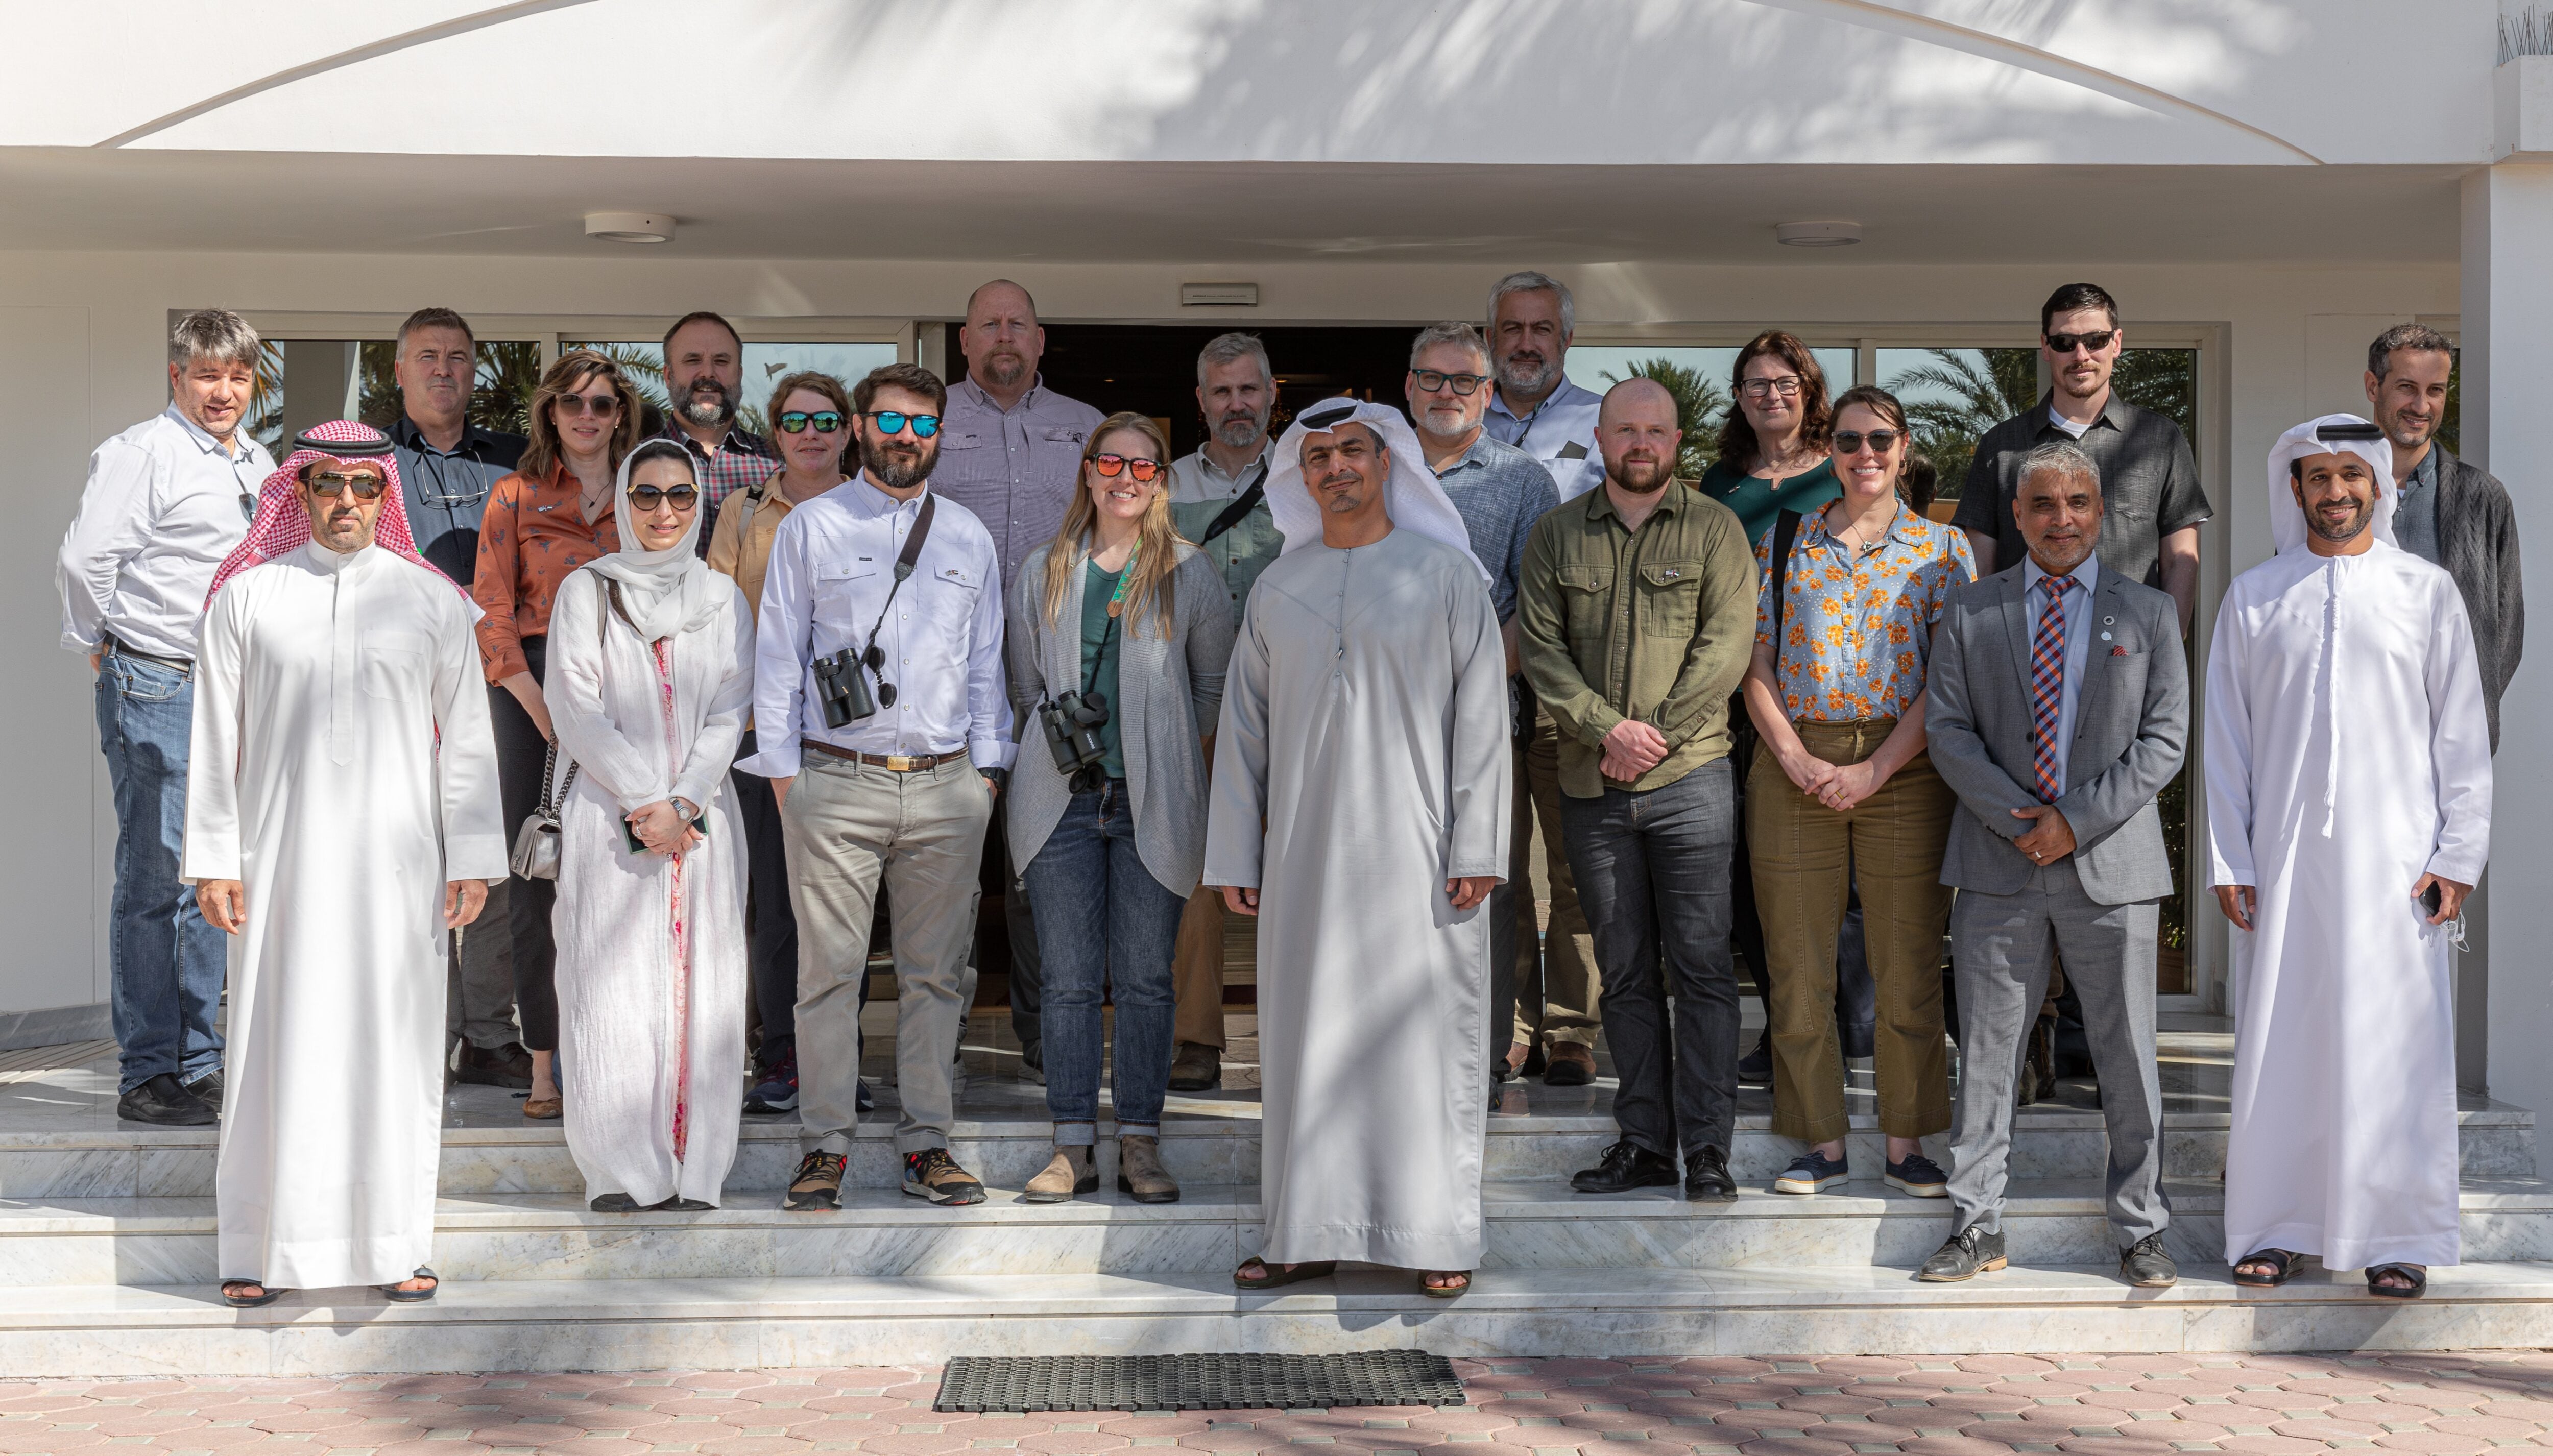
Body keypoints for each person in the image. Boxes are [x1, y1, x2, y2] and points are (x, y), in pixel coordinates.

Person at [185, 420, 504, 1308]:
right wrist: (215, 858)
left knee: (393, 1047)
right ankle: (257, 1245)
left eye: (367, 488)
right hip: (278, 860)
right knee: (272, 1044)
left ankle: (397, 1242)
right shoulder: (247, 598)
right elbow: (215, 741)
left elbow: (468, 746)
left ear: (384, 495)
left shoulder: (433, 602)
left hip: (398, 869)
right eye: (330, 485)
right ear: (301, 491)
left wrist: (469, 854)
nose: (348, 503)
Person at [1206, 399, 1509, 1299]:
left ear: (1389, 465)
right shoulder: (1277, 587)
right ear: (1300, 478)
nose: (1335, 467)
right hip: (1304, 858)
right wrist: (1235, 854)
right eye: (1318, 457)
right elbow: (1243, 733)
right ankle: (1304, 1232)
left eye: (1352, 451)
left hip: (1423, 856)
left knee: (1420, 1038)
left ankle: (1434, 1231)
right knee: (1308, 1043)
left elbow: (1484, 720)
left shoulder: (1446, 575)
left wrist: (1480, 838)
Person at [2210, 416, 2492, 1300]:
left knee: (2394, 1049)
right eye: (2316, 477)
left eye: (2350, 475)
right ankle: (2275, 1228)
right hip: (2284, 862)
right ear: (2293, 490)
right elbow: (2227, 741)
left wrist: (2459, 855)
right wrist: (2229, 857)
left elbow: (2462, 736)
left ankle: (2395, 1236)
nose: (2334, 492)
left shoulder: (2427, 590)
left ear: (2377, 484)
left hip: (2398, 868)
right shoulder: (2255, 595)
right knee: (2282, 1045)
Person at [739, 362, 1013, 1213]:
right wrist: (786, 778)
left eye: (922, 426)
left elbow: (985, 665)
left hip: (946, 786)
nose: (905, 438)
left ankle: (928, 1142)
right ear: (862, 429)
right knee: (827, 974)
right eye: (890, 423)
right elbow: (777, 656)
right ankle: (825, 1145)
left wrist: (988, 773)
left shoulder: (967, 536)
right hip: (833, 780)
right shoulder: (812, 527)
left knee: (937, 978)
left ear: (939, 435)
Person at [1917, 441, 2186, 1288]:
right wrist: (2018, 819)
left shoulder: (2145, 613)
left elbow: (2165, 740)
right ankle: (1975, 1223)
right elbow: (1948, 730)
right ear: (2020, 516)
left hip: (2111, 864)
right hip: (1999, 863)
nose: (2061, 518)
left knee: (2127, 1056)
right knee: (1990, 1056)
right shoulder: (1971, 610)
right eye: (2043, 504)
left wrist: (2073, 821)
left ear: (2099, 513)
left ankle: (2141, 1228)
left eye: (2077, 502)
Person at [1517, 378, 1757, 1202]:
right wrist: (1604, 730)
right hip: (1595, 788)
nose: (1641, 443)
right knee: (1622, 972)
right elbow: (1542, 651)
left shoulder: (1717, 530)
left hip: (1692, 781)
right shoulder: (1556, 536)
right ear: (1602, 434)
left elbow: (1726, 651)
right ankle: (1646, 1141)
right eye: (1627, 430)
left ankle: (1711, 1149)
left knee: (1701, 969)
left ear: (1677, 437)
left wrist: (1646, 734)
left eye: (1656, 430)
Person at [1744, 385, 1975, 1198]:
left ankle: (1907, 1140)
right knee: (1797, 960)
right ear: (1830, 450)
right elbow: (1757, 661)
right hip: (1793, 758)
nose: (1865, 454)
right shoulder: (1783, 539)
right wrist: (1792, 754)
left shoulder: (1945, 551)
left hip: (1905, 765)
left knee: (1907, 959)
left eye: (1881, 438)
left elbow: (1950, 683)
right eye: (1848, 440)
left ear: (1904, 447)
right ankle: (1820, 1142)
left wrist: (1875, 768)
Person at [1006, 414, 1234, 1203]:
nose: (1127, 479)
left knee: (1144, 978)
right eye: (1113, 463)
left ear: (1162, 480)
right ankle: (1072, 1143)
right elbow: (1023, 689)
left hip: (1152, 804)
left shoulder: (1190, 572)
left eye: (1145, 467)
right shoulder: (1043, 570)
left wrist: (1168, 753)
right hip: (1061, 802)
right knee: (1068, 980)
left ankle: (1140, 1138)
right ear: (1089, 470)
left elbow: (1213, 688)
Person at [57, 309, 271, 1126]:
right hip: (158, 680)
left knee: (211, 876)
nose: (224, 392)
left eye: (239, 377)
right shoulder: (142, 452)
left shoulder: (256, 459)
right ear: (177, 376)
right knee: (156, 880)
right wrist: (96, 641)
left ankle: (201, 1060)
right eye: (208, 375)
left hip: (233, 690)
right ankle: (149, 1072)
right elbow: (85, 559)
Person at [548, 440, 755, 1213]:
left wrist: (688, 800)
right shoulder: (588, 591)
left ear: (699, 503)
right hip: (612, 818)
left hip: (700, 823)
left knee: (704, 988)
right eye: (645, 495)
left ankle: (698, 1166)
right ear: (622, 504)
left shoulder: (722, 598)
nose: (663, 512)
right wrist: (648, 800)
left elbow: (736, 705)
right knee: (611, 984)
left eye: (678, 496)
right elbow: (575, 706)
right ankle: (621, 1167)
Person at [1402, 323, 1582, 1085]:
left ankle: (1493, 1043)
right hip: (1386, 726)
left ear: (1488, 393)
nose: (1448, 394)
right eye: (1433, 379)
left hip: (1486, 717)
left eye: (1465, 382)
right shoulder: (1372, 468)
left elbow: (1533, 610)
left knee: (1492, 878)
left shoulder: (1522, 480)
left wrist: (1468, 692)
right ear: (1408, 386)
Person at [935, 280, 1104, 1080]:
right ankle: (944, 1033)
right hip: (949, 679)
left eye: (1018, 325)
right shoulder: (928, 423)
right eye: (987, 325)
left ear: (1041, 341)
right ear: (963, 343)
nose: (1004, 336)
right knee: (951, 865)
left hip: (1055, 679)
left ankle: (1047, 1036)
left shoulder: (1087, 427)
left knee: (1046, 864)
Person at [473, 351, 641, 1121]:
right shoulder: (515, 492)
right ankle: (544, 1062)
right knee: (539, 869)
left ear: (620, 413)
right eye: (571, 402)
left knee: (620, 869)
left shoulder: (649, 491)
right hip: (533, 691)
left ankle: (619, 1053)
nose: (586, 415)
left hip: (628, 690)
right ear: (549, 411)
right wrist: (546, 711)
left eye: (601, 404)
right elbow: (492, 614)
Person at [384, 305, 533, 1094]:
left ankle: (486, 1033)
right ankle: (422, 1034)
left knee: (494, 858)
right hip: (399, 693)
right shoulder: (366, 465)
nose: (444, 369)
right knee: (411, 859)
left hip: (496, 687)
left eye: (457, 358)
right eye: (427, 356)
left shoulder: (515, 461)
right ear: (399, 370)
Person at [1695, 331, 1847, 1081]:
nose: (1771, 395)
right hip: (1738, 705)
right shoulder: (1720, 484)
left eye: (1785, 382)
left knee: (1840, 881)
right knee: (1755, 877)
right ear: (1740, 398)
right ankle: (1788, 1028)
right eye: (1755, 384)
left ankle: (1850, 1025)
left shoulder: (1845, 472)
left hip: (1833, 700)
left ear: (1809, 389)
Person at [709, 370, 855, 1116]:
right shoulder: (743, 510)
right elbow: (719, 618)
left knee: (846, 912)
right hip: (764, 736)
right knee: (776, 909)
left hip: (855, 742)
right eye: (796, 421)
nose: (811, 434)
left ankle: (841, 1064)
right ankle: (784, 1061)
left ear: (849, 430)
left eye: (826, 421)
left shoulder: (878, 511)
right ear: (776, 432)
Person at [1163, 332, 1285, 1093]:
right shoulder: (1163, 485)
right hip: (1198, 711)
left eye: (1250, 390)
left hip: (1297, 708)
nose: (1237, 404)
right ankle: (1196, 1040)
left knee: (1301, 874)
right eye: (1222, 391)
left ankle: (1296, 1036)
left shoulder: (1314, 473)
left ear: (1273, 396)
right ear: (1201, 401)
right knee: (1198, 881)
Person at [1952, 283, 2211, 635]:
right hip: (2023, 651)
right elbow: (1980, 564)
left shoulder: (2160, 440)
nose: (2081, 355)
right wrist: (1983, 645)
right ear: (2046, 347)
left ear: (2116, 343)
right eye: (2065, 342)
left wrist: (2166, 646)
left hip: (2127, 651)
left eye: (2095, 341)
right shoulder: (2000, 446)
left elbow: (2181, 558)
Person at [2363, 323, 2524, 750]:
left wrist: (2461, 712)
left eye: (2436, 390)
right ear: (2372, 386)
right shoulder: (2331, 491)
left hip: (2442, 743)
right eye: (2406, 387)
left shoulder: (2482, 497)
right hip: (2350, 736)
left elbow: (2505, 631)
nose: (2422, 405)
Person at [655, 311, 777, 546]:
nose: (708, 372)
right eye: (693, 361)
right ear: (668, 376)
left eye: (721, 361)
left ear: (739, 374)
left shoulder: (777, 463)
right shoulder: (635, 461)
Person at [1482, 271, 1605, 502]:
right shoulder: (1463, 418)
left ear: (1566, 340)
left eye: (1542, 330)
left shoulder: (1604, 419)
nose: (1526, 344)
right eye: (1513, 329)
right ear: (1491, 338)